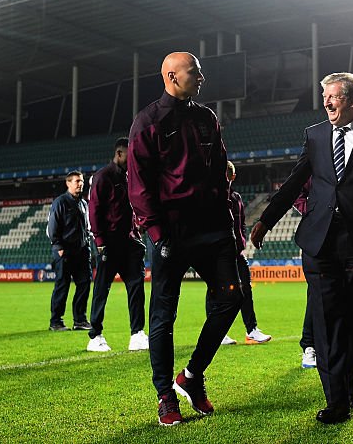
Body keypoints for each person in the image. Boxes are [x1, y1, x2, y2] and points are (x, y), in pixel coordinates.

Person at [251, 72, 353, 424]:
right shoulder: (315, 135)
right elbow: (294, 182)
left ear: (351, 100)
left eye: (333, 96)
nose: (327, 103)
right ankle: (336, 401)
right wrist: (266, 219)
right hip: (318, 241)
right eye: (325, 97)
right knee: (327, 319)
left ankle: (349, 390)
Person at [128, 51, 243, 426]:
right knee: (163, 316)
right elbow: (139, 183)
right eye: (195, 72)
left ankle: (191, 376)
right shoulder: (147, 121)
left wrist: (227, 217)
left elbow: (218, 168)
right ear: (173, 76)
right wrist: (157, 232)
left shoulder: (207, 117)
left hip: (212, 228)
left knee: (232, 298)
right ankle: (165, 396)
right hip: (171, 232)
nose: (202, 77)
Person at [293, 180, 353, 372]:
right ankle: (311, 348)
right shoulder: (315, 157)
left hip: (352, 232)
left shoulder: (351, 158)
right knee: (318, 293)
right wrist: (315, 211)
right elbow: (295, 189)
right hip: (321, 232)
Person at [86, 137, 149, 353]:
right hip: (110, 243)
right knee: (102, 289)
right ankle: (95, 335)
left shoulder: (132, 177)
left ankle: (137, 334)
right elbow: (94, 210)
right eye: (130, 155)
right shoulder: (103, 177)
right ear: (120, 154)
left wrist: (138, 226)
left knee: (136, 287)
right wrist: (100, 241)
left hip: (130, 242)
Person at [220, 161, 272, 346]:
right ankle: (219, 333)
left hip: (236, 253)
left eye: (226, 175)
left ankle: (251, 330)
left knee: (246, 290)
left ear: (232, 177)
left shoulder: (236, 198)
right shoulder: (214, 197)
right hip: (219, 254)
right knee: (217, 293)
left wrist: (241, 242)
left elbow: (241, 224)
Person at [47, 170, 93, 332]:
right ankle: (56, 321)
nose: (80, 184)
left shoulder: (83, 204)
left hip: (81, 251)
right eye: (76, 181)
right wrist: (58, 247)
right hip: (64, 252)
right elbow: (52, 227)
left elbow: (87, 228)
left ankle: (80, 320)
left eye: (81, 181)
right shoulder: (60, 202)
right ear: (68, 183)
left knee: (84, 284)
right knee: (62, 285)